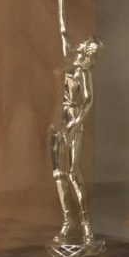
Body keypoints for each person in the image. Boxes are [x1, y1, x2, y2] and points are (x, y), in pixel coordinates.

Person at [50, 36, 103, 245]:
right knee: (57, 174)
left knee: (73, 173)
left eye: (93, 53)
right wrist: (61, 0)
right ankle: (66, 221)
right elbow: (62, 27)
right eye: (91, 51)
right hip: (56, 120)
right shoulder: (67, 58)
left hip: (73, 121)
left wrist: (75, 123)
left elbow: (89, 101)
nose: (90, 57)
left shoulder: (84, 72)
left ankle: (85, 224)